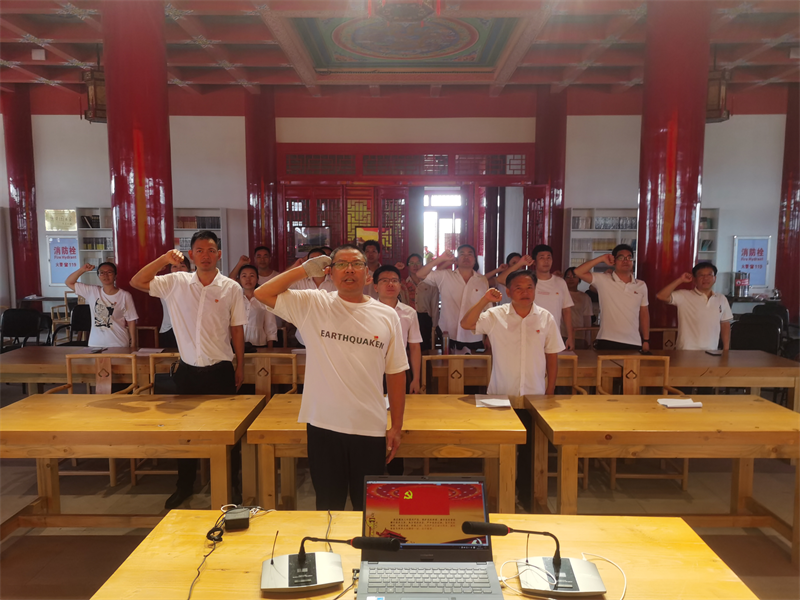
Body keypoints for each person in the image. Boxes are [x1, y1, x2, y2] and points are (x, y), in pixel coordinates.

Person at [255, 245, 408, 511]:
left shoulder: (387, 315)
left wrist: (397, 425)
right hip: (323, 425)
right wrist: (304, 269)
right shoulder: (313, 304)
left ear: (368, 274)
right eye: (341, 264)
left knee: (368, 509)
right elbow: (262, 293)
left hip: (369, 426)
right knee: (328, 506)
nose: (349, 270)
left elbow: (395, 372)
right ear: (330, 273)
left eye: (356, 264)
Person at [130, 230, 247, 509]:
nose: (206, 255)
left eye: (211, 250)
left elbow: (237, 329)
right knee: (186, 433)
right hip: (187, 372)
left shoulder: (231, 287)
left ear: (219, 254)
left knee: (227, 432)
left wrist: (240, 365)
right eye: (200, 250)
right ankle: (184, 486)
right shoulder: (176, 282)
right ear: (191, 254)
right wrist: (164, 259)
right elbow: (137, 281)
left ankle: (232, 485)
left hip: (220, 371)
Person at [461, 270, 564, 509]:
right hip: (500, 397)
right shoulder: (495, 315)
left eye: (529, 287)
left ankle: (526, 499)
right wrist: (485, 299)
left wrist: (550, 391)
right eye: (518, 288)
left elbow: (552, 356)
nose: (525, 292)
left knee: (530, 452)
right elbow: (466, 324)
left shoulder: (545, 318)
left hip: (534, 397)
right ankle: (497, 499)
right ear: (508, 292)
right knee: (499, 451)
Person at [574, 244, 650, 351]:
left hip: (633, 341)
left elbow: (644, 313)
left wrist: (646, 340)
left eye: (629, 258)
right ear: (614, 261)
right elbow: (578, 272)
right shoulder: (604, 279)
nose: (625, 261)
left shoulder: (641, 285)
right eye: (621, 257)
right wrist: (602, 258)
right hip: (607, 339)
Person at [497, 245, 574, 350]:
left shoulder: (560, 282)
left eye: (549, 257)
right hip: (528, 335)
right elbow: (500, 279)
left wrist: (570, 336)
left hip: (552, 335)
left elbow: (566, 310)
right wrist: (520, 263)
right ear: (534, 262)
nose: (546, 261)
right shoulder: (526, 281)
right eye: (542, 257)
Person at [416, 245, 489, 354]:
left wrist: (488, 335)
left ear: (474, 260)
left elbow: (487, 309)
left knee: (474, 364)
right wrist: (441, 259)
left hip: (474, 335)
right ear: (456, 259)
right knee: (448, 364)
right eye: (462, 254)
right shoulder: (445, 276)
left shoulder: (482, 280)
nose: (466, 257)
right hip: (448, 333)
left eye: (470, 254)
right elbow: (420, 274)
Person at [656, 262, 732, 351]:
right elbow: (661, 296)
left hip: (711, 350)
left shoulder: (721, 298)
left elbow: (725, 324)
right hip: (686, 350)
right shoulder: (684, 296)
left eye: (709, 275)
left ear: (715, 278)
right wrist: (680, 280)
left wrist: (726, 349)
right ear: (694, 280)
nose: (705, 278)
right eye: (701, 275)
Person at [65, 262, 138, 348]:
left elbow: (131, 320)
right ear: (98, 276)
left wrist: (133, 343)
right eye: (102, 272)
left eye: (109, 272)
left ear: (115, 276)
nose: (105, 275)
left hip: (118, 343)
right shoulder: (92, 291)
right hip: (95, 344)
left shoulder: (125, 296)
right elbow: (69, 282)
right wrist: (82, 269)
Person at [374, 264, 422, 394]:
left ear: (400, 286)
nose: (390, 284)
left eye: (394, 281)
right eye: (385, 281)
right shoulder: (367, 311)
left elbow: (414, 347)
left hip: (400, 366)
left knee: (401, 403)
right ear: (375, 287)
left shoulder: (409, 313)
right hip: (373, 367)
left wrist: (416, 379)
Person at [400, 253, 439, 352]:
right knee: (409, 347)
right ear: (408, 266)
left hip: (425, 318)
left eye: (418, 263)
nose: (415, 266)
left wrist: (434, 326)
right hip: (408, 317)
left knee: (425, 348)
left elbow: (434, 305)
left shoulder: (430, 284)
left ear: (422, 264)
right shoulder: (403, 284)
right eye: (411, 263)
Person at [238, 264, 277, 351]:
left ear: (257, 279)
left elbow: (270, 325)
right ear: (239, 279)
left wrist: (270, 349)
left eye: (252, 276)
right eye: (244, 276)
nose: (248, 279)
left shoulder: (264, 300)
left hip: (259, 343)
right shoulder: (234, 299)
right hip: (236, 344)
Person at [159, 254, 191, 349]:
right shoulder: (164, 285)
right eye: (174, 266)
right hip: (169, 330)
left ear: (189, 270)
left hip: (189, 330)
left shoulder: (195, 286)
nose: (179, 269)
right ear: (170, 270)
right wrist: (157, 268)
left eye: (183, 266)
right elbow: (137, 282)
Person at [563, 267, 593, 348]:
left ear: (579, 279)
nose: (571, 279)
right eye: (568, 276)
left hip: (579, 335)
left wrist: (588, 338)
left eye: (574, 276)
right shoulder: (559, 294)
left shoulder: (585, 297)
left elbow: (587, 319)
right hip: (562, 334)